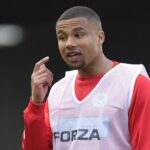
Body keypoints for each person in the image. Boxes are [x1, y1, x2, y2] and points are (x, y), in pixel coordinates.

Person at [22, 6, 150, 150]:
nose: (69, 43)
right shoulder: (57, 91)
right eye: (62, 37)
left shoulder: (134, 83)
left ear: (100, 37)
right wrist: (36, 104)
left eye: (78, 35)